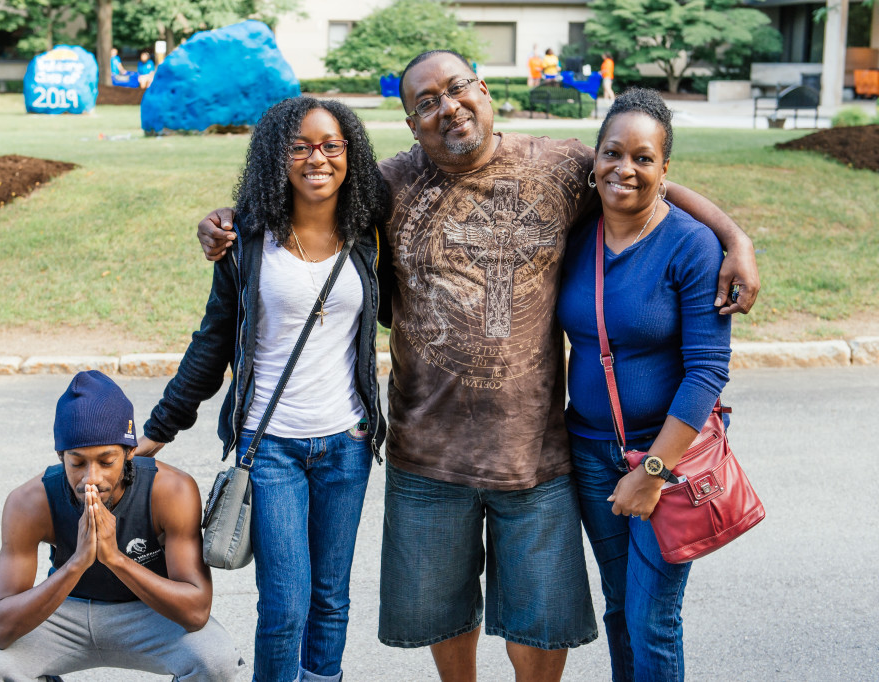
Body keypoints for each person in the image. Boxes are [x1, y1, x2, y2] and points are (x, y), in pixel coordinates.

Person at [197, 51, 759, 682]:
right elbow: (307, 191)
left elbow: (635, 174)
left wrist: (735, 238)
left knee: (543, 620)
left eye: (457, 88)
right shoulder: (387, 186)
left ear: (484, 89)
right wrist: (228, 220)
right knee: (444, 614)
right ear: (412, 124)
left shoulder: (561, 164)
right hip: (427, 451)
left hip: (535, 455)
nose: (448, 107)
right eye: (426, 103)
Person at [134, 96, 390, 682]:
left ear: (350, 153)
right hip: (268, 447)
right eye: (298, 146)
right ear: (276, 156)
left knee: (331, 599)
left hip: (347, 444)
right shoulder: (246, 239)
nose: (316, 158)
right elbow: (213, 340)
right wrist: (158, 430)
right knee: (285, 604)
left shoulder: (368, 234)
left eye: (331, 145)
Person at [558, 88, 731, 682]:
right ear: (595, 160)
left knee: (652, 618)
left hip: (668, 457)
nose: (624, 169)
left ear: (665, 169)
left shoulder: (692, 245)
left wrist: (653, 472)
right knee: (618, 609)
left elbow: (708, 369)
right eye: (612, 153)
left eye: (643, 158)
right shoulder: (578, 237)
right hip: (589, 452)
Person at [0, 370, 244, 682]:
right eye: (77, 463)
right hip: (64, 611)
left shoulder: (171, 490)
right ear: (61, 456)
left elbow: (195, 612)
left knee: (216, 660)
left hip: (147, 613)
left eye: (107, 462)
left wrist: (114, 559)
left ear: (130, 453)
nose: (91, 478)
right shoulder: (29, 502)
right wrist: (77, 563)